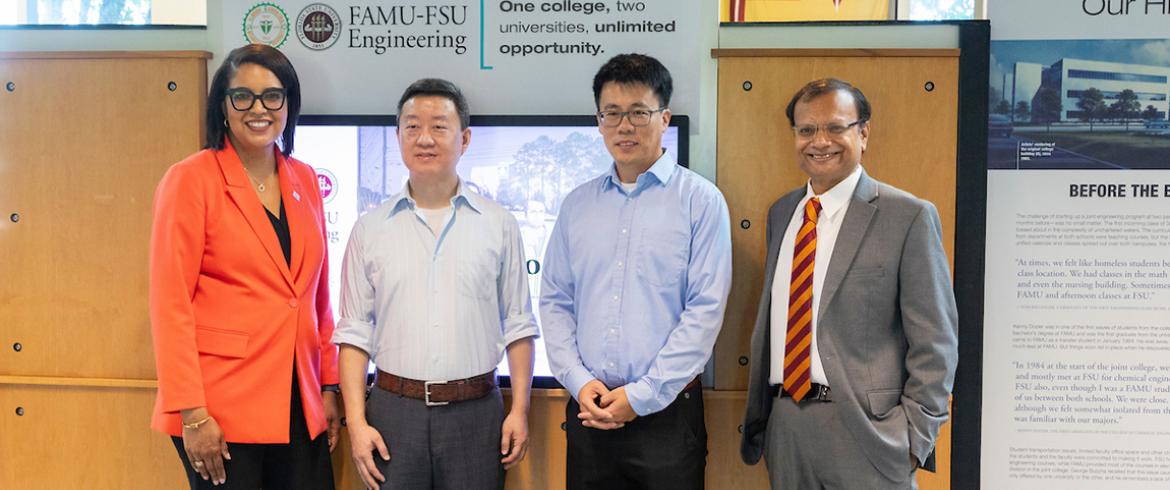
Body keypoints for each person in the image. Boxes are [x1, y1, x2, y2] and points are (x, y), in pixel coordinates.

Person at [739, 78, 958, 489]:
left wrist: (915, 437)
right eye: (806, 130)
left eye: (836, 127)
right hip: (786, 425)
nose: (820, 141)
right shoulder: (783, 213)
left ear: (863, 133)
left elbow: (936, 343)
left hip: (869, 431)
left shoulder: (907, 216)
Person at [149, 44, 340, 489]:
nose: (259, 109)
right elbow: (169, 303)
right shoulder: (191, 179)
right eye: (243, 97)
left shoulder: (305, 178)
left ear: (288, 104)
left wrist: (328, 384)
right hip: (220, 409)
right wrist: (192, 414)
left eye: (273, 96)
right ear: (223, 105)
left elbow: (317, 295)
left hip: (300, 400)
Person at [333, 78, 538, 490]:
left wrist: (520, 410)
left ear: (464, 139)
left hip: (477, 412)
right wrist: (356, 423)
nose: (424, 138)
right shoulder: (369, 229)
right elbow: (354, 334)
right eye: (412, 127)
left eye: (439, 126)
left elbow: (518, 323)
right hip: (393, 413)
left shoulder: (500, 224)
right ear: (397, 137)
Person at [540, 53, 733, 490]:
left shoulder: (700, 202)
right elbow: (554, 301)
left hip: (667, 417)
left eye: (638, 113)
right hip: (589, 409)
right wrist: (578, 380)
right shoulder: (577, 206)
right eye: (612, 113)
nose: (624, 126)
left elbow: (704, 312)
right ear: (599, 121)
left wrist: (641, 395)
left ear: (664, 118)